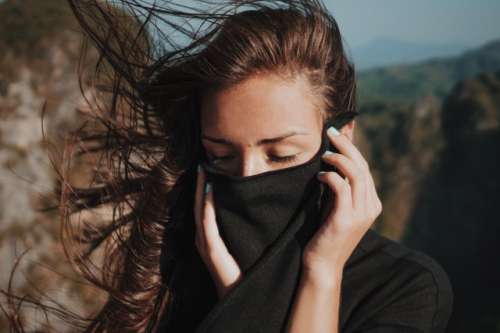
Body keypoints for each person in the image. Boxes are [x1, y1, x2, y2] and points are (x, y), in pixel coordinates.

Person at [1, 0, 453, 332]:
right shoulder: (173, 270)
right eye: (220, 155)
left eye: (282, 155)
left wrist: (319, 273)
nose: (249, 177)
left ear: (342, 140)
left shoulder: (405, 289)